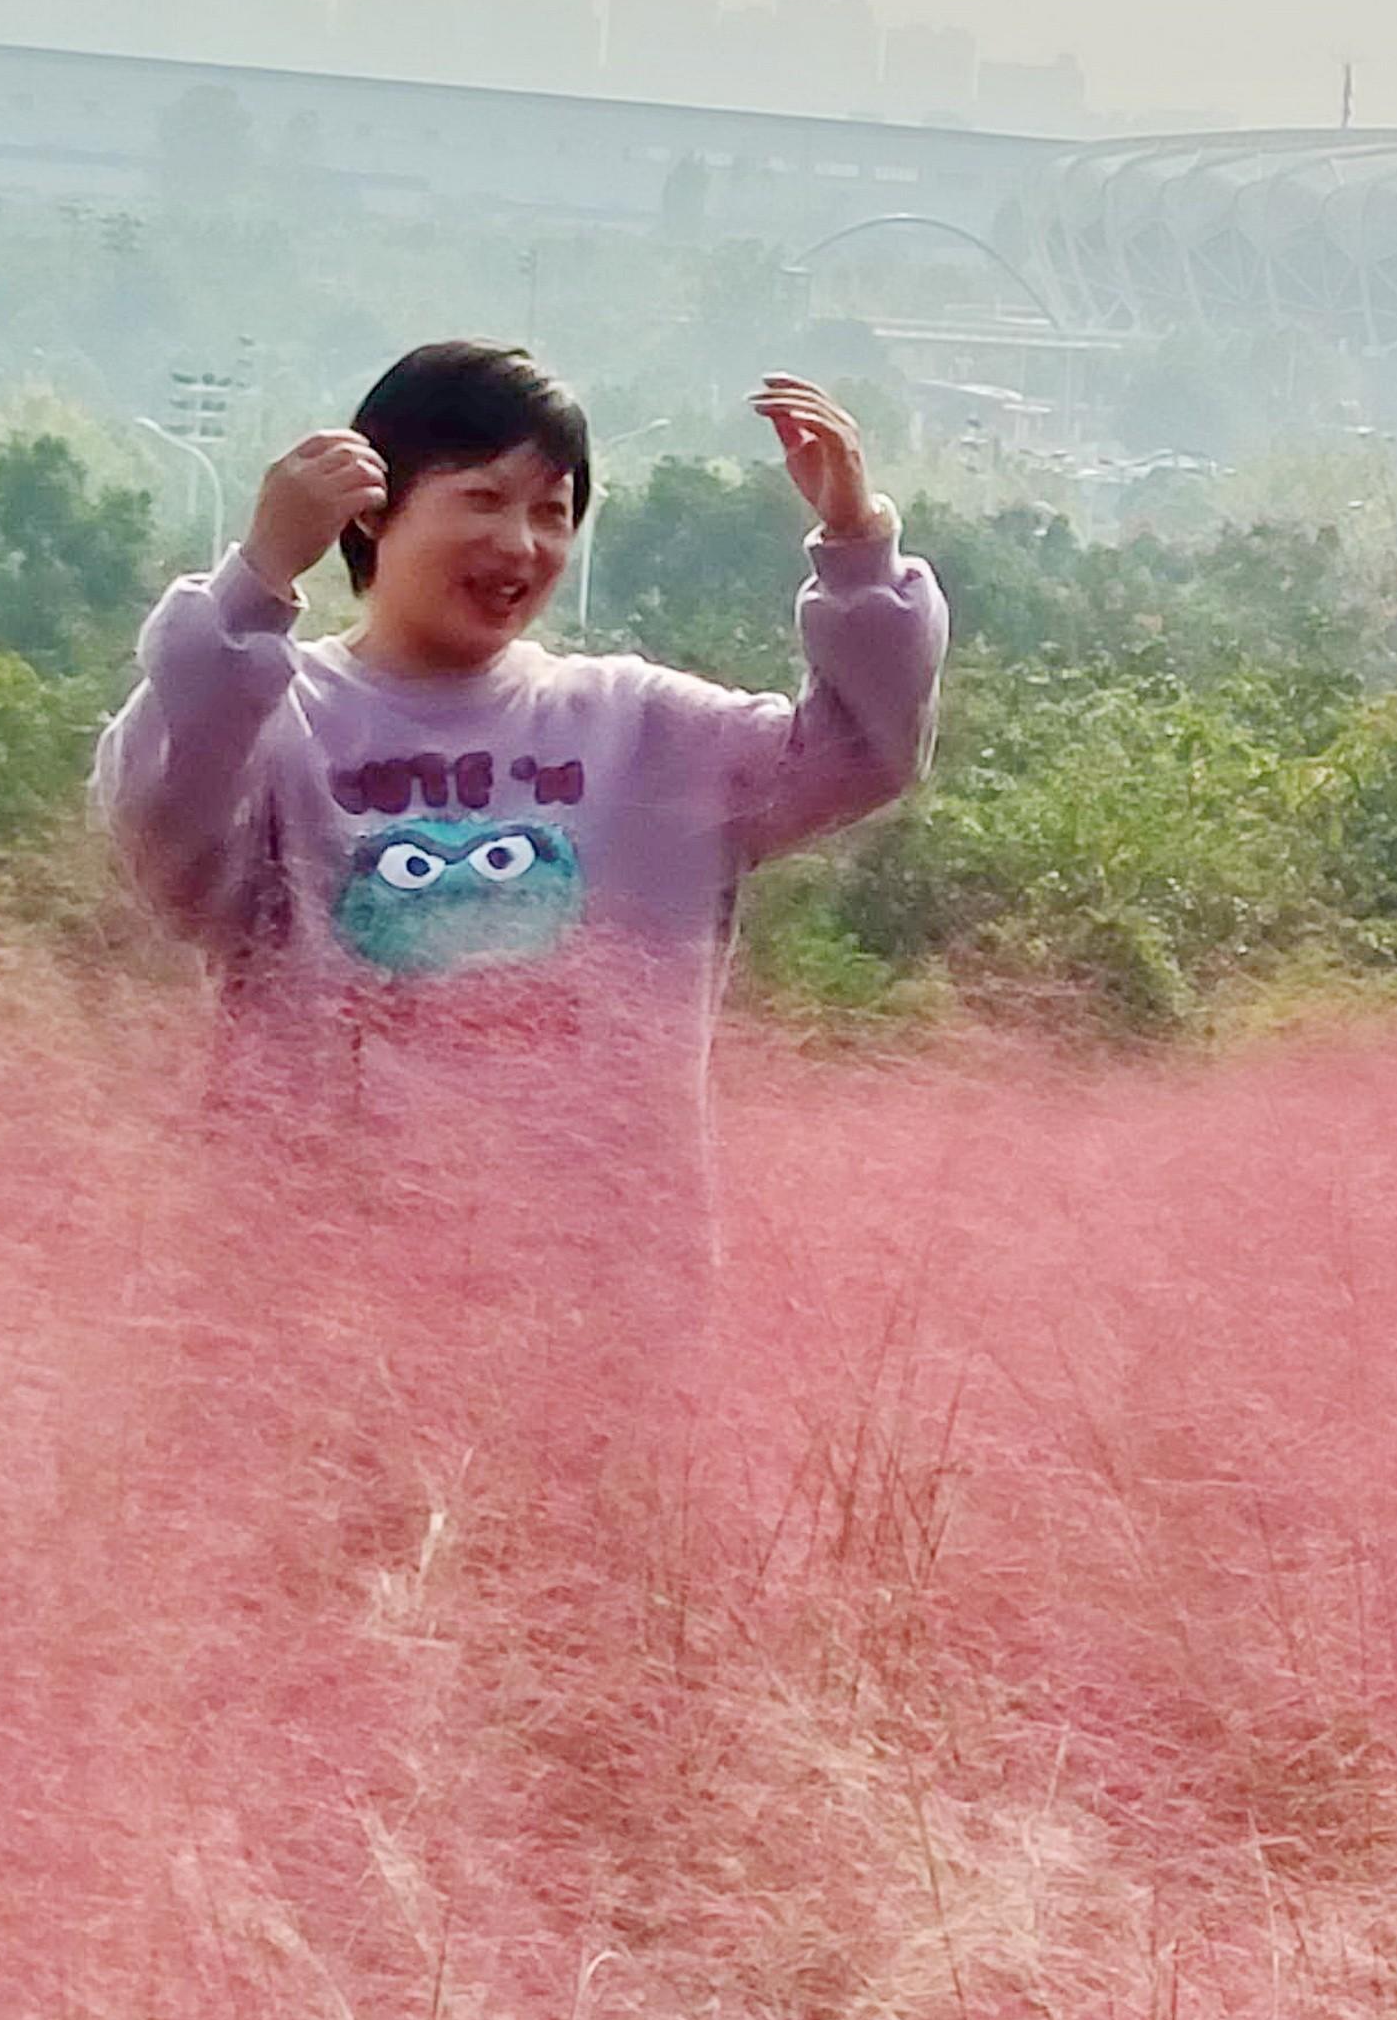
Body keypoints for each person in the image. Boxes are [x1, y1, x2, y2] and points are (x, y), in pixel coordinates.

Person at [94, 344, 945, 1325]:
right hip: (318, 1307)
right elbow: (155, 827)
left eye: (552, 511)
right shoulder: (279, 718)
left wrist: (857, 543)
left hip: (595, 1304)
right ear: (371, 507)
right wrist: (254, 583)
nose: (523, 544)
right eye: (485, 498)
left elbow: (859, 754)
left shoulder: (637, 727)